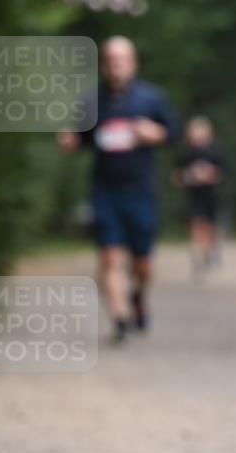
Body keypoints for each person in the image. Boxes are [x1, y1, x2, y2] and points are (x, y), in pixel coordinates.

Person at [58, 36, 180, 341]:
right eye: (111, 59)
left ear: (133, 63)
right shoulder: (91, 102)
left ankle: (137, 295)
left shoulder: (152, 99)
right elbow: (80, 138)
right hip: (105, 190)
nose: (116, 65)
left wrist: (155, 134)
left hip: (141, 190)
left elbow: (174, 133)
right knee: (109, 257)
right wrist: (70, 140)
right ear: (103, 65)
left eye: (122, 59)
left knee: (143, 262)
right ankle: (120, 319)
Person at [175, 116, 227, 277]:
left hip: (212, 195)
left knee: (210, 227)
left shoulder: (215, 152)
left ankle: (209, 252)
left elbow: (223, 174)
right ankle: (197, 258)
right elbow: (177, 177)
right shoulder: (186, 154)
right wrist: (188, 177)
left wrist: (211, 175)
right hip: (194, 196)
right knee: (197, 225)